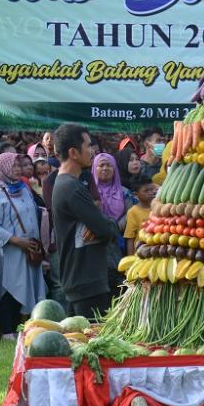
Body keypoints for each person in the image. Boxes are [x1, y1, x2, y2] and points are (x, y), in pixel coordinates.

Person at [51, 123, 119, 318]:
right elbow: (106, 229)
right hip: (85, 280)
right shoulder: (70, 187)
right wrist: (106, 225)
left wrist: (100, 224)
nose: (93, 150)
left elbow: (100, 224)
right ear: (73, 152)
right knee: (92, 342)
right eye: (88, 145)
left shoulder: (70, 183)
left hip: (82, 278)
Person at [0, 152, 47, 338]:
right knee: (10, 286)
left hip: (29, 248)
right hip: (10, 249)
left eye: (20, 165)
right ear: (3, 168)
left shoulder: (24, 188)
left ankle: (25, 328)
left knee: (28, 284)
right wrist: (16, 240)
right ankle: (7, 331)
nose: (18, 169)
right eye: (14, 166)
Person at [93, 152, 134, 292]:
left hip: (120, 240)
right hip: (97, 241)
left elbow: (130, 214)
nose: (105, 168)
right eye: (101, 165)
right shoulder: (88, 193)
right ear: (94, 168)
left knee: (120, 282)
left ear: (115, 168)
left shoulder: (125, 193)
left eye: (109, 165)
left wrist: (116, 227)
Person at [124, 176, 156, 256]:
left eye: (152, 189)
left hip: (157, 252)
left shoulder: (159, 208)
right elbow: (130, 239)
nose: (151, 192)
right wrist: (130, 260)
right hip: (141, 255)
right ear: (135, 194)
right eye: (146, 191)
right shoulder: (133, 212)